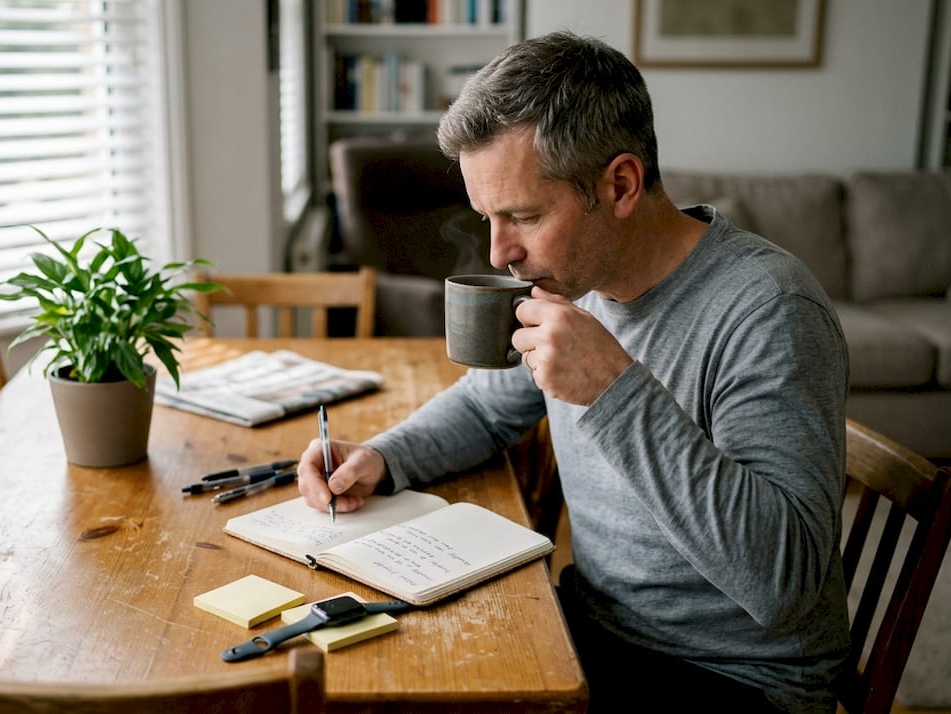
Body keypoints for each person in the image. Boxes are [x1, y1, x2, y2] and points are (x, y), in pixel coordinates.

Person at [298, 30, 851, 714]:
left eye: (523, 216)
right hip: (595, 628)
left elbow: (784, 582)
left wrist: (614, 389)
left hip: (734, 678)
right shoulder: (572, 277)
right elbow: (484, 407)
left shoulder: (769, 310)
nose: (501, 252)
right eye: (486, 218)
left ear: (619, 184)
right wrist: (383, 456)